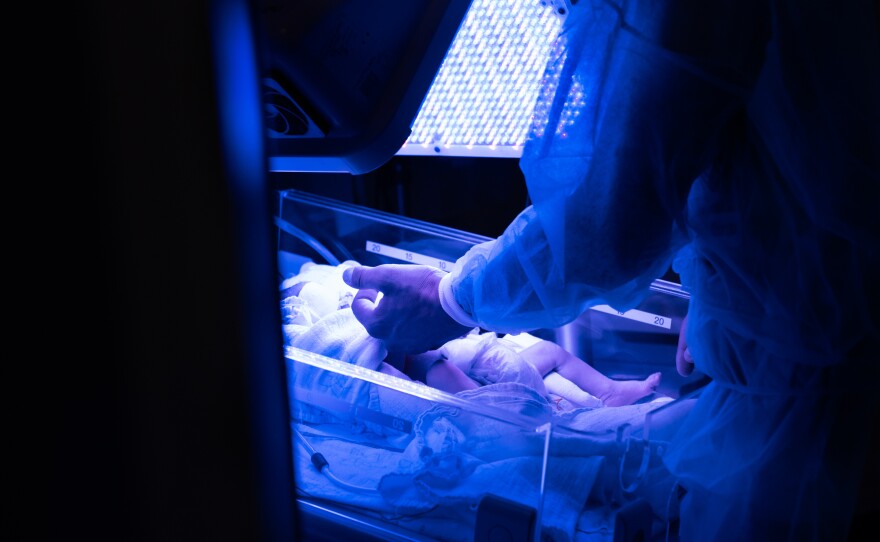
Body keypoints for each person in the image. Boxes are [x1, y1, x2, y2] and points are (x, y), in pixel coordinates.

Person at [342, 0, 880, 540]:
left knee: (564, 439)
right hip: (807, 375)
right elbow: (745, 156)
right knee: (559, 439)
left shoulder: (677, 15)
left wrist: (450, 301)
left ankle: (614, 417)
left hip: (808, 415)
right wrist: (720, 282)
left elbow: (608, 222)